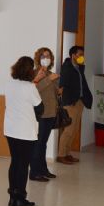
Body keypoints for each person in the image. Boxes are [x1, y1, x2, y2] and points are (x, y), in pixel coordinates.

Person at [4, 56, 44, 206]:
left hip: (10, 129)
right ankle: (20, 198)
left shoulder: (9, 84)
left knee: (15, 162)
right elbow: (40, 108)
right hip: (25, 131)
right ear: (30, 70)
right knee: (23, 165)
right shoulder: (30, 87)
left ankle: (12, 198)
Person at [57, 45, 92, 165]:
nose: (82, 57)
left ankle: (67, 153)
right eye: (80, 54)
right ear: (73, 55)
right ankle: (61, 155)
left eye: (83, 55)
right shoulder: (67, 67)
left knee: (75, 129)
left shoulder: (79, 67)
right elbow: (62, 85)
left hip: (79, 101)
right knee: (68, 130)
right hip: (70, 102)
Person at [29, 47, 59, 182]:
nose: (46, 59)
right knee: (38, 143)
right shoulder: (34, 74)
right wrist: (49, 80)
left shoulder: (50, 73)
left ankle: (43, 170)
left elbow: (53, 92)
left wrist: (59, 87)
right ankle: (34, 172)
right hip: (40, 113)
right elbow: (34, 89)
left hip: (51, 112)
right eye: (43, 56)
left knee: (43, 143)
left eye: (48, 56)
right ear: (38, 58)